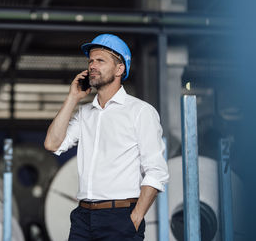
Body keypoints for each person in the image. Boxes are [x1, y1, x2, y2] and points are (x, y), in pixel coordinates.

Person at [44, 34, 169, 240]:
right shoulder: (85, 114)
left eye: (100, 60)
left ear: (120, 69)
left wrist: (135, 218)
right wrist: (72, 97)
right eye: (90, 61)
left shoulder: (140, 112)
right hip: (83, 218)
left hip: (121, 217)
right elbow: (52, 143)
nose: (92, 65)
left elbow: (156, 171)